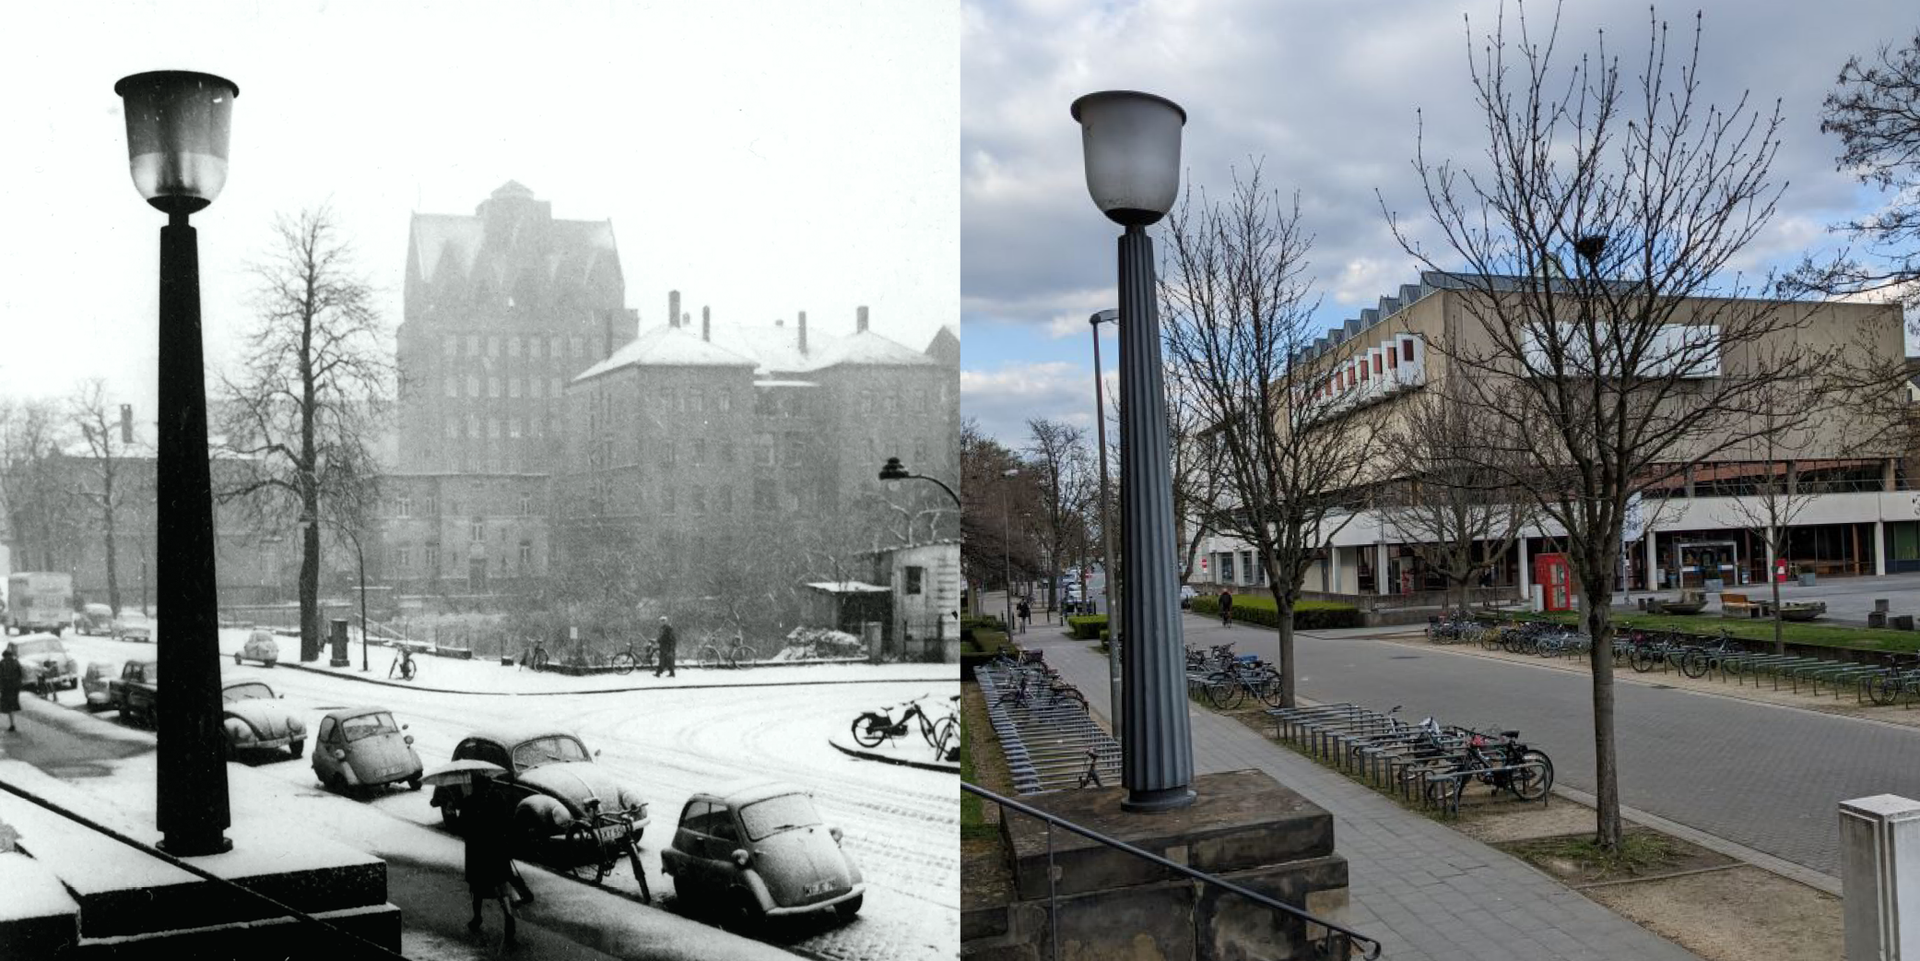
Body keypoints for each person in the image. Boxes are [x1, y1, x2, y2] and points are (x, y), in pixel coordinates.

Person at [463, 774, 519, 945]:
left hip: (478, 851)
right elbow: (507, 820)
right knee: (502, 885)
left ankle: (477, 917)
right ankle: (509, 917)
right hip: (497, 848)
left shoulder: (469, 801)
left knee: (476, 885)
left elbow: (463, 826)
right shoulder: (498, 797)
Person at [1, 647, 22, 733]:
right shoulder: (16, 662)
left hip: (6, 687)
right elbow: (20, 674)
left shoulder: (2, 663)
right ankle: (12, 723)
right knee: (11, 705)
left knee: (7, 705)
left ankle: (12, 723)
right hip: (15, 687)